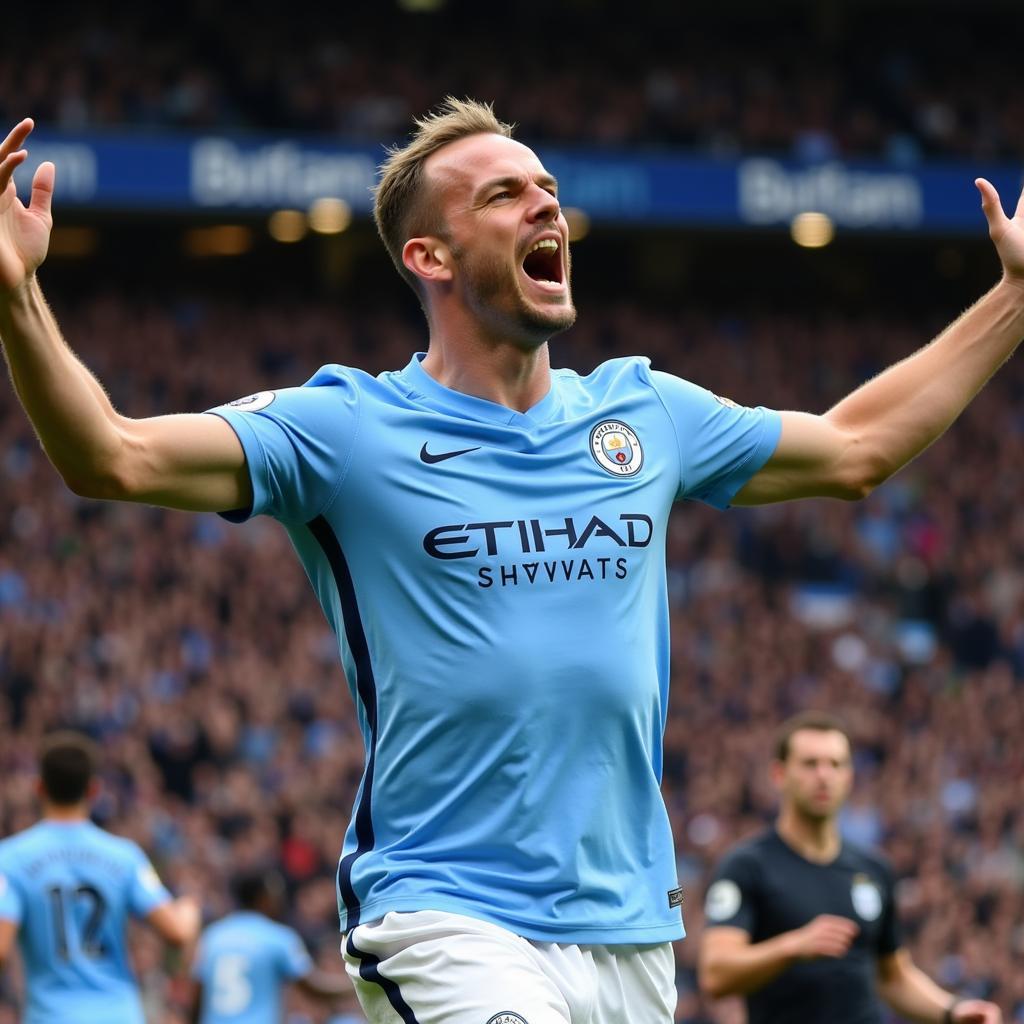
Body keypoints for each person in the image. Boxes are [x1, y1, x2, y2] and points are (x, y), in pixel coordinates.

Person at [0, 99, 1022, 1023]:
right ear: (430, 257)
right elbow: (111, 454)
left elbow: (855, 449)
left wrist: (1013, 298)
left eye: (549, 189)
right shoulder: (344, 429)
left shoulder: (644, 411)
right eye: (505, 195)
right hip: (448, 912)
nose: (546, 207)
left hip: (628, 925)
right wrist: (16, 298)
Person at [698, 713, 1002, 1023]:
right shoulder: (748, 866)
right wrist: (790, 947)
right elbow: (716, 974)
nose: (823, 775)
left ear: (849, 777)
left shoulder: (873, 868)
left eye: (835, 764)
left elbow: (894, 977)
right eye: (810, 763)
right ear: (779, 775)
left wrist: (952, 1011)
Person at [0, 731, 200, 1023]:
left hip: (52, 1016)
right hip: (117, 1015)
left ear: (39, 788)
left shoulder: (11, 859)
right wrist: (190, 905)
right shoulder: (124, 856)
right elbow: (176, 932)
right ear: (93, 790)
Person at [189, 869, 353, 1024]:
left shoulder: (213, 936)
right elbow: (314, 988)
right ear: (262, 897)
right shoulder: (279, 938)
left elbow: (197, 996)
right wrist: (357, 983)